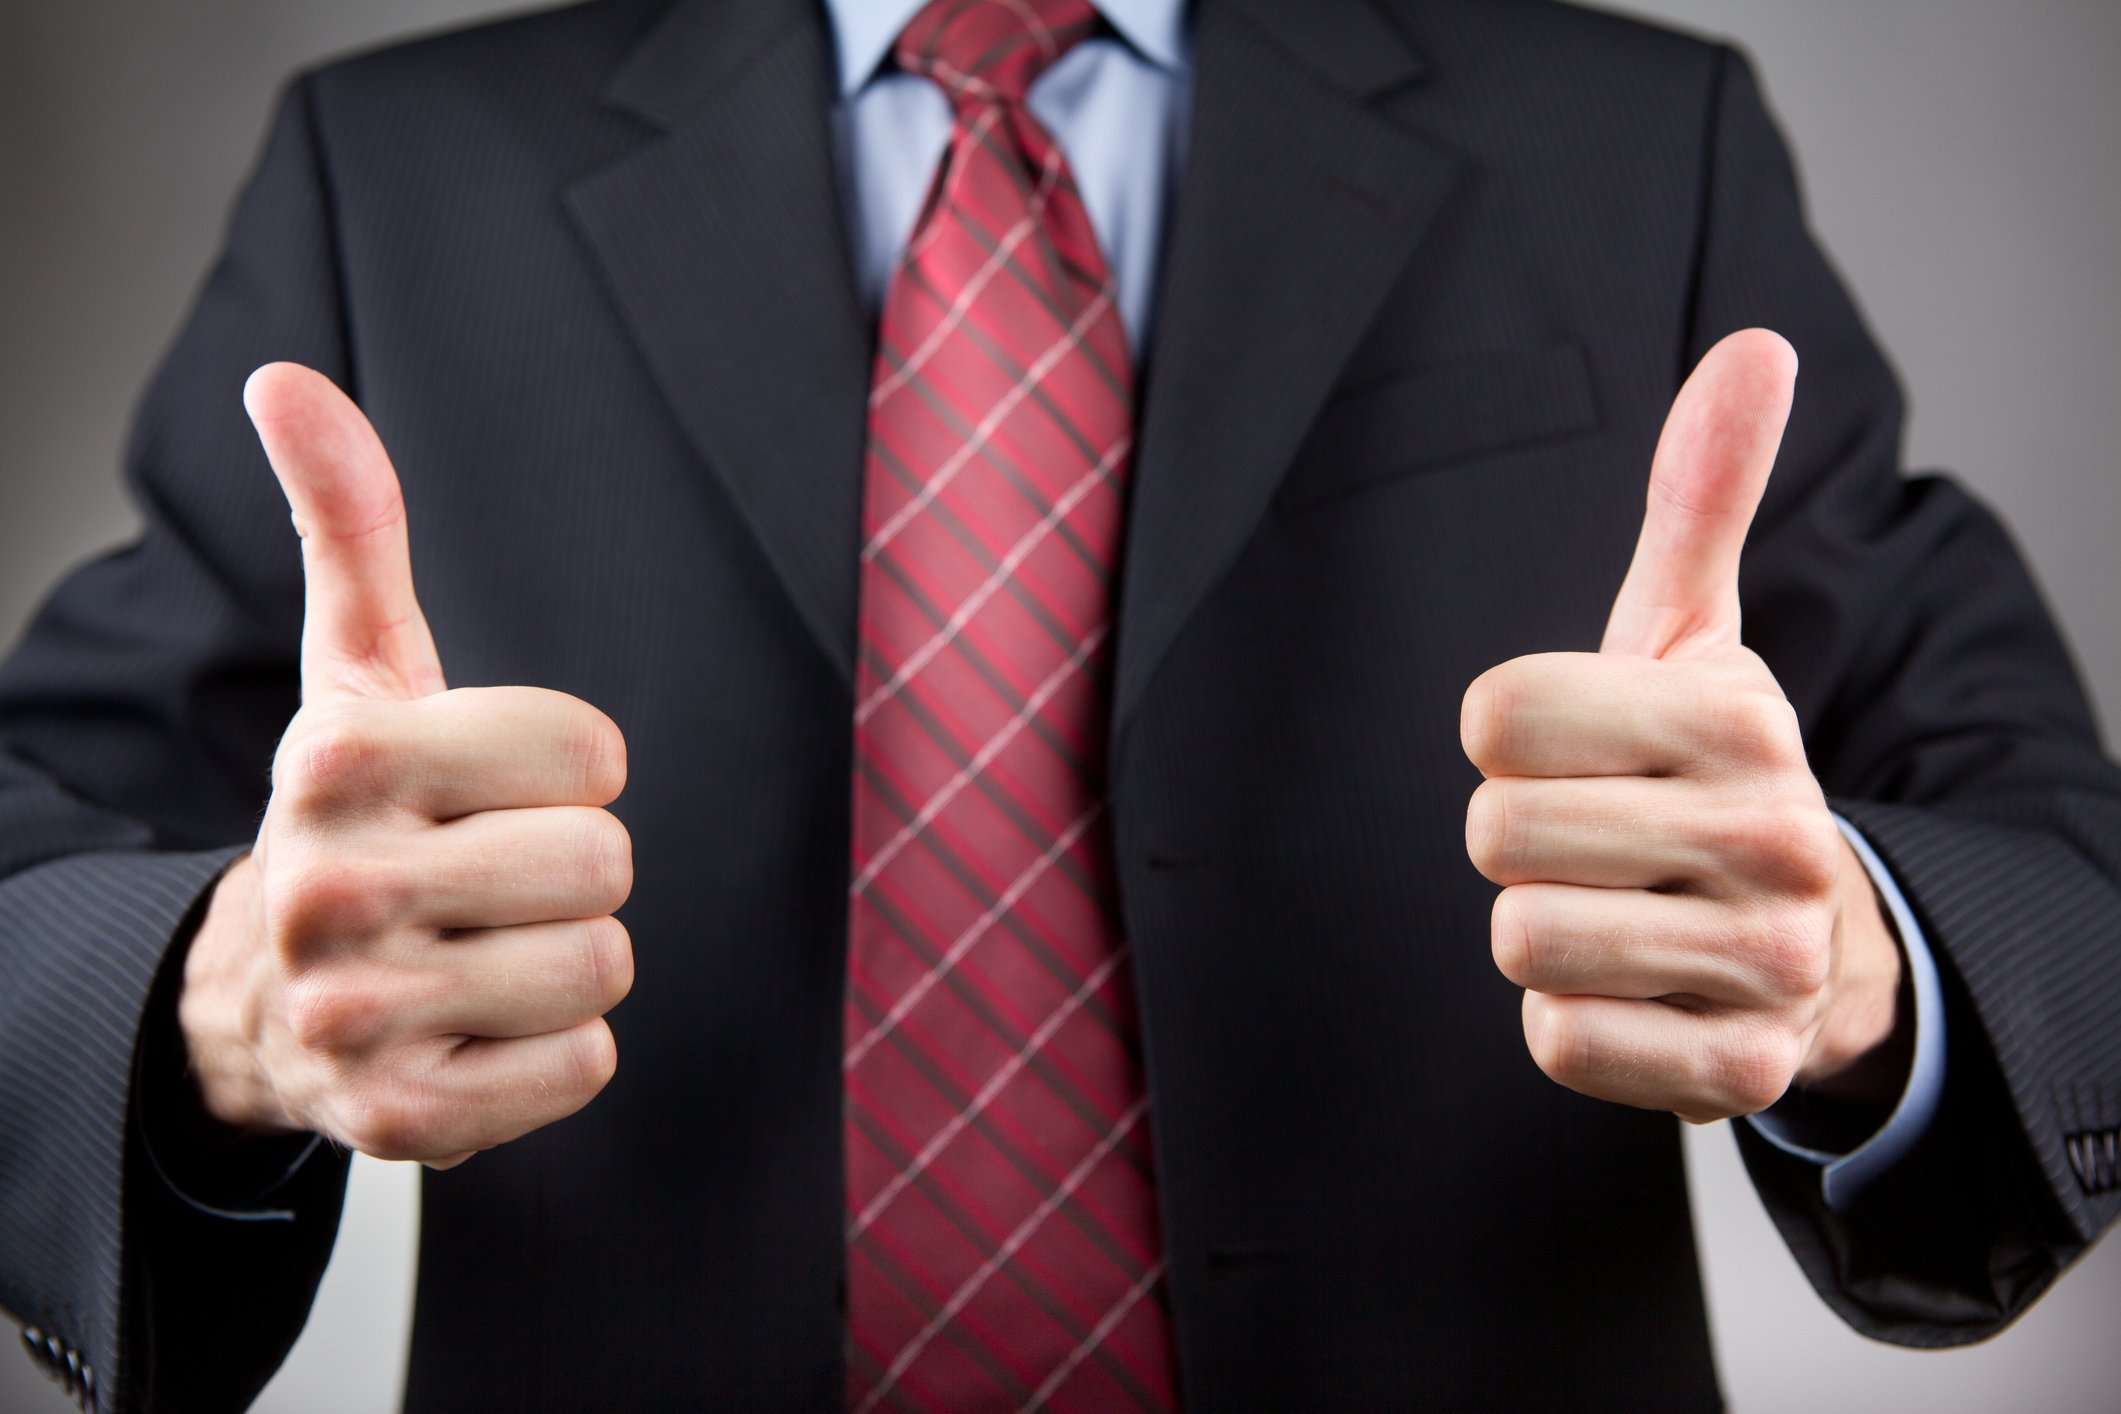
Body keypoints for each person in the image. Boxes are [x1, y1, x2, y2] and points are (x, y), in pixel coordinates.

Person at [3, 0, 2117, 1408]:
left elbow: (2060, 881)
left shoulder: (1635, 145)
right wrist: (216, 1002)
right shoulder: (393, 174)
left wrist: (1860, 970)